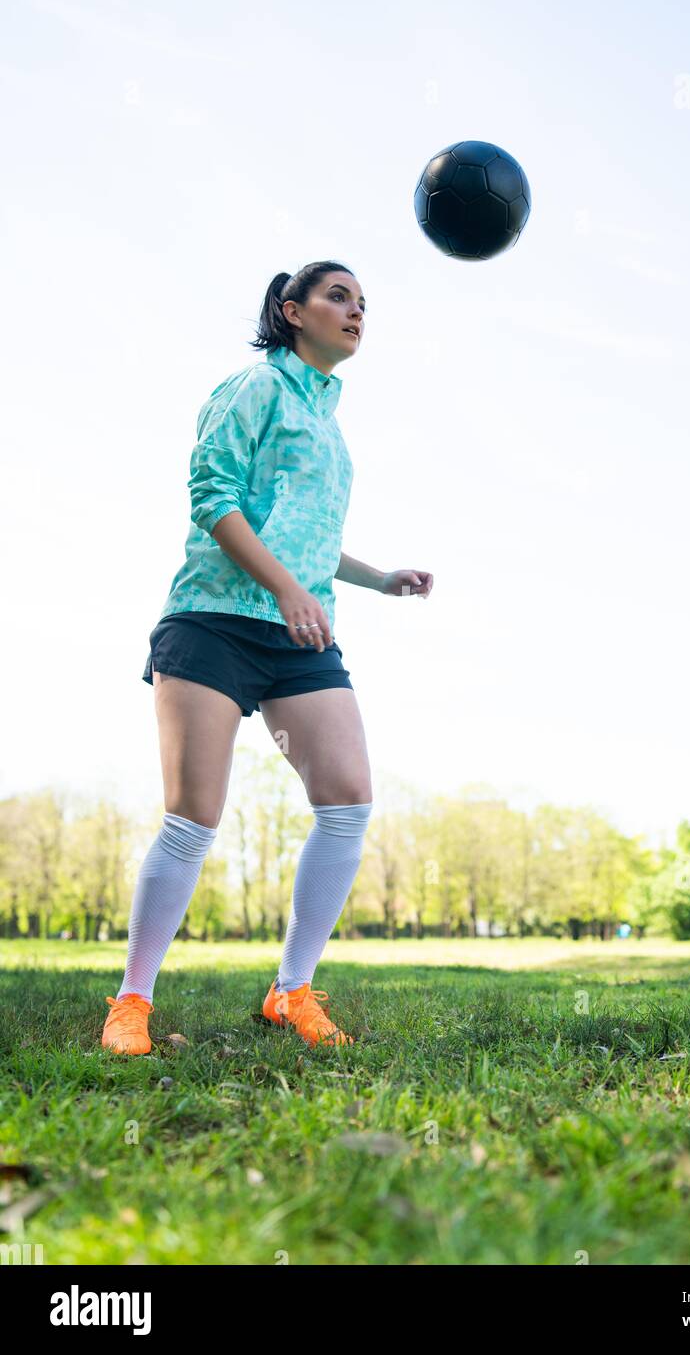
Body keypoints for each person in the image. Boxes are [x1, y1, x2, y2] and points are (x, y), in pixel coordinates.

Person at [102, 261, 433, 1055]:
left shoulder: (329, 417)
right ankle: (132, 1002)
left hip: (297, 633)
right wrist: (289, 590)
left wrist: (378, 577)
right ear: (292, 311)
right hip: (213, 622)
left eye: (362, 303)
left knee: (347, 796)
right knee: (194, 815)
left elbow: (306, 535)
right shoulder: (252, 387)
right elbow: (212, 498)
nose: (356, 312)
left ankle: (290, 991)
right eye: (338, 297)